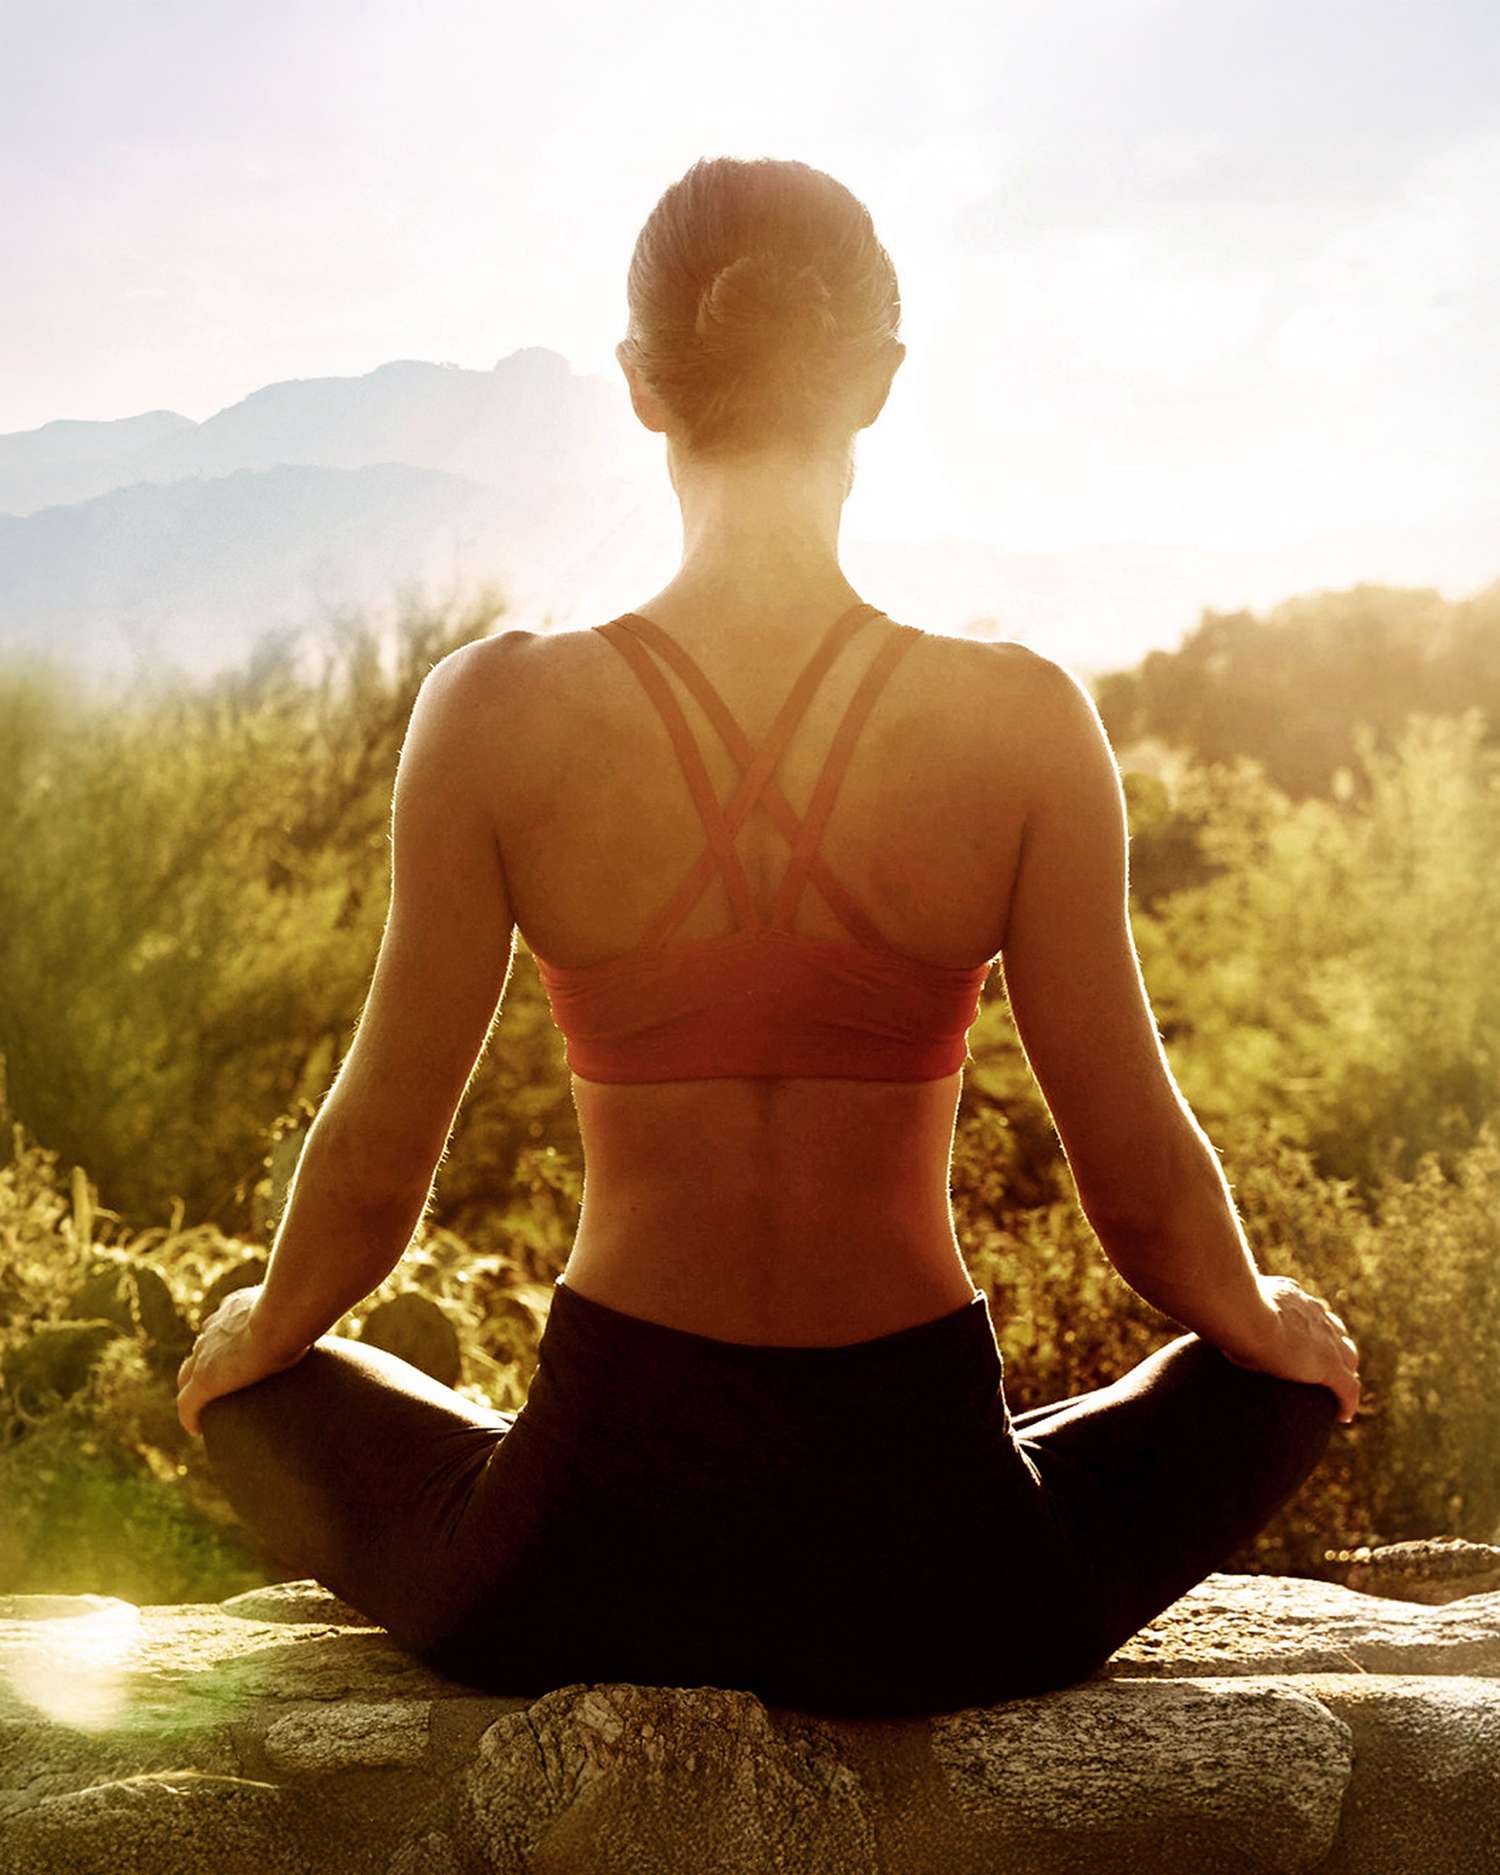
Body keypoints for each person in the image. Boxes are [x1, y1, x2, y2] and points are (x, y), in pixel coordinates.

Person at [177, 156, 1359, 1720]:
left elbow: (376, 1166)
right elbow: (1141, 1193)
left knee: (260, 1393)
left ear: (639, 382)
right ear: (878, 381)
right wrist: (1265, 1325)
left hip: (579, 1558)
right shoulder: (1024, 720)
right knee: (1277, 1382)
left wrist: (261, 1332)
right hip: (944, 1580)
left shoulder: (492, 713)